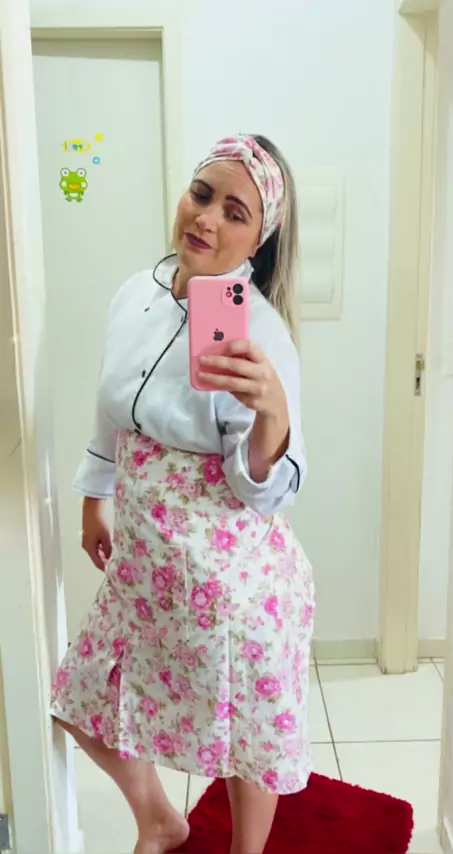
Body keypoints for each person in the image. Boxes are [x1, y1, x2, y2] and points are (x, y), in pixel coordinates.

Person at [51, 134, 314, 854]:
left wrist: (272, 415)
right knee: (80, 697)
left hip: (233, 581)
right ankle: (160, 820)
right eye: (202, 194)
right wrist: (93, 496)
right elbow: (112, 407)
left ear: (259, 240)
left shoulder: (261, 333)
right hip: (145, 564)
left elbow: (263, 490)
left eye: (235, 212)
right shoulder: (135, 294)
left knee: (246, 734)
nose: (207, 218)